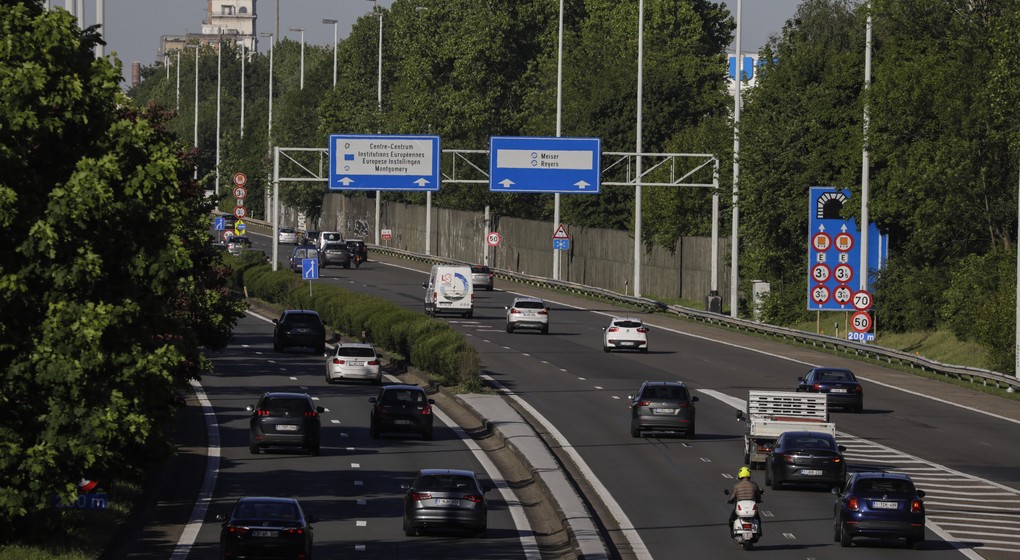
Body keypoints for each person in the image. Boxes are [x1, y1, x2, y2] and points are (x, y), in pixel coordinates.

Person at [727, 466, 763, 537]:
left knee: (731, 519)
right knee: (758, 519)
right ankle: (759, 531)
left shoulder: (736, 486)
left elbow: (733, 497)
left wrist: (729, 501)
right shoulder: (754, 485)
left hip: (740, 507)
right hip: (751, 507)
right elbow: (758, 496)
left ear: (740, 475)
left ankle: (732, 532)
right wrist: (758, 500)